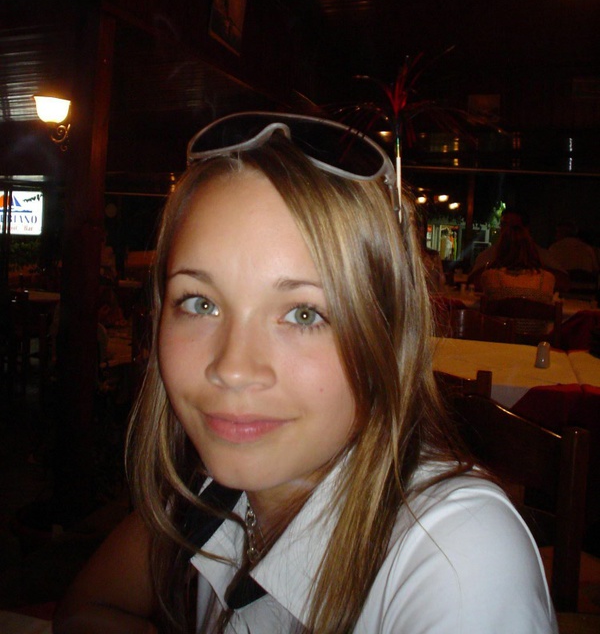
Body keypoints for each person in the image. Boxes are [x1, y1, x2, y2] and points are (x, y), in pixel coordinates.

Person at [53, 112, 557, 633]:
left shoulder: (457, 559)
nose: (232, 369)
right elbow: (84, 608)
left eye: (303, 314)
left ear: (386, 336)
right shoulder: (208, 498)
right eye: (201, 303)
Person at [479, 223, 556, 340]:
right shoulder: (547, 278)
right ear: (531, 247)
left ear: (501, 248)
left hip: (498, 342)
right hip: (535, 345)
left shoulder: (490, 276)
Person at [468, 208, 569, 292]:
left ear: (526, 230)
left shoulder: (542, 256)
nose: (508, 230)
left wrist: (534, 265)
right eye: (504, 225)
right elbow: (473, 284)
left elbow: (563, 282)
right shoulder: (488, 256)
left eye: (514, 227)